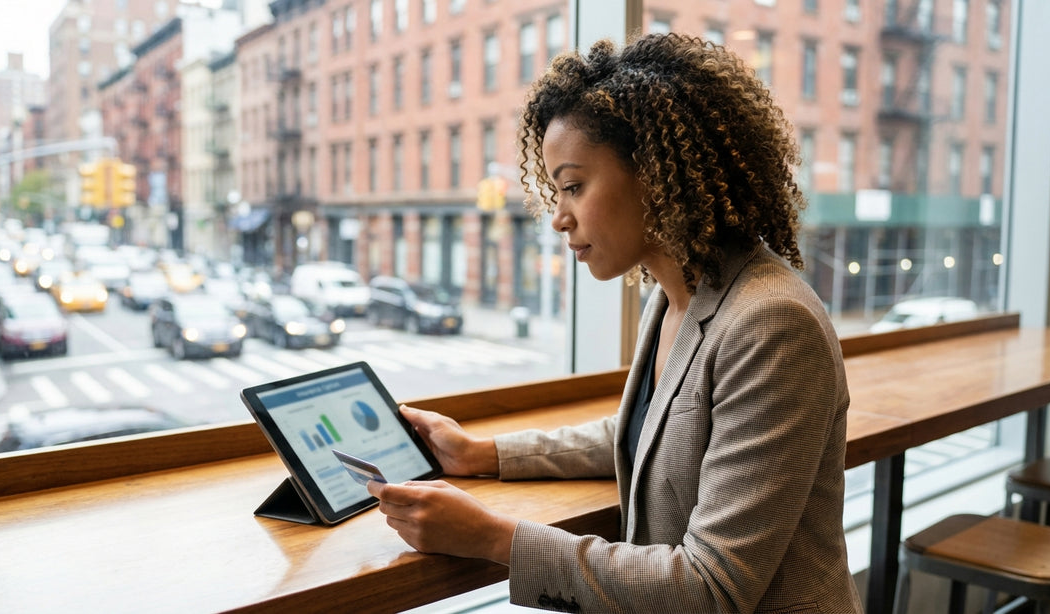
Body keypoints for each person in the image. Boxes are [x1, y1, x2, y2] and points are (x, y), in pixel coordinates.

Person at [367, 33, 862, 613]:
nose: (558, 218)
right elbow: (655, 433)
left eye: (573, 186)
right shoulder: (679, 292)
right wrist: (479, 453)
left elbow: (713, 588)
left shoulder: (771, 321)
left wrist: (492, 537)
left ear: (655, 172)